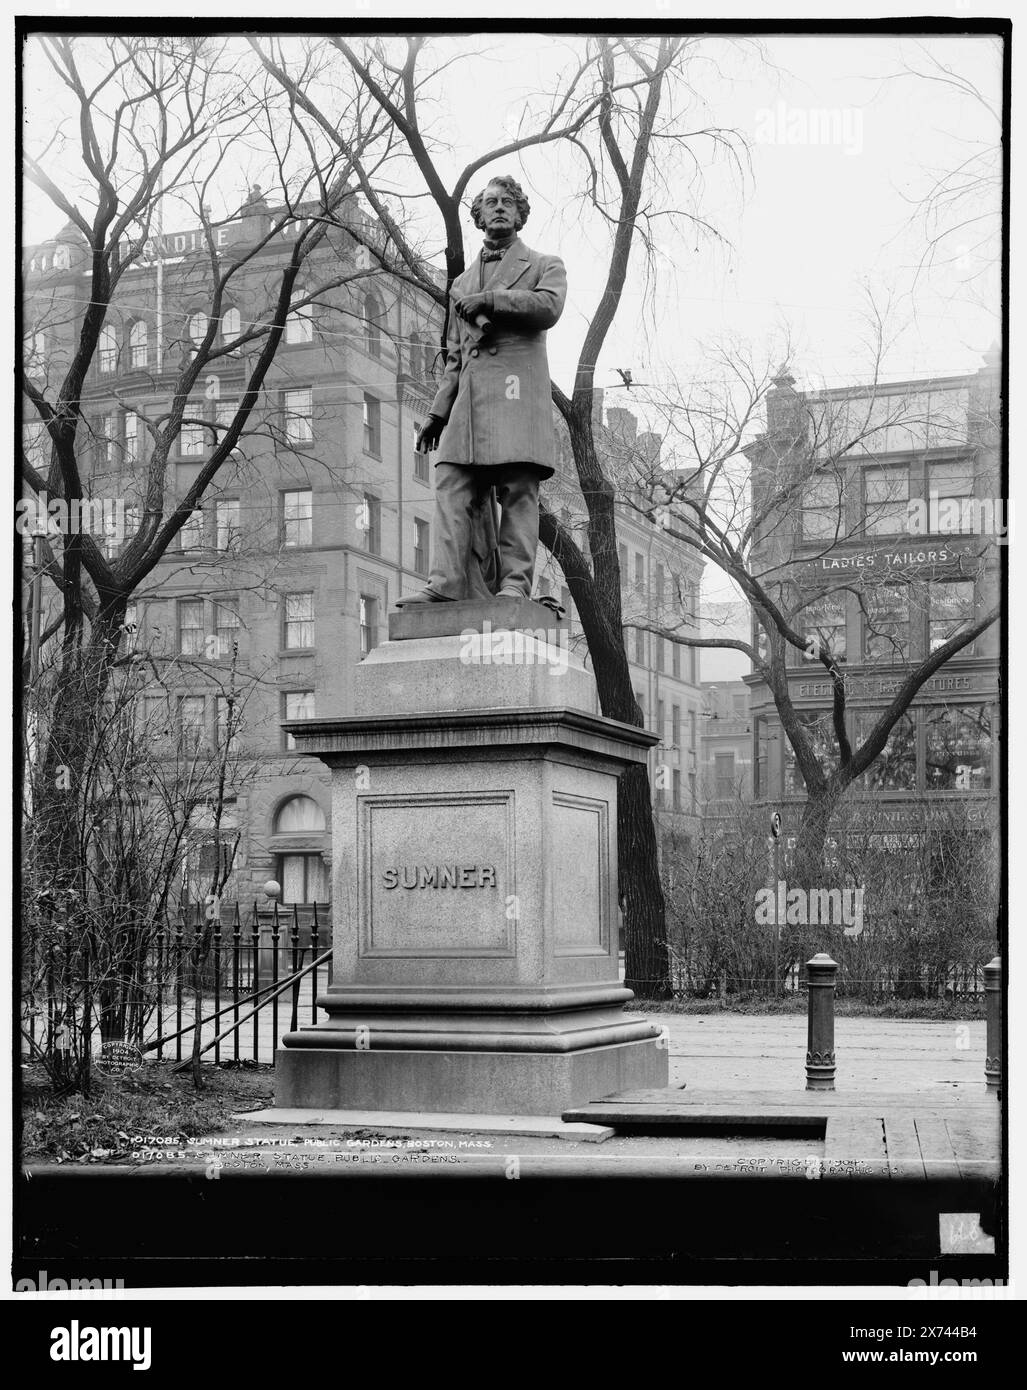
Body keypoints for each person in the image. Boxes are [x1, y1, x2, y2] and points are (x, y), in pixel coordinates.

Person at [395, 174, 567, 606]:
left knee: (517, 489)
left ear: (520, 212)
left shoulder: (545, 265)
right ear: (478, 216)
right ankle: (447, 584)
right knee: (451, 480)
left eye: (508, 201)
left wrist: (492, 300)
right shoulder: (461, 284)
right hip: (468, 406)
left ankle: (513, 585)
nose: (499, 207)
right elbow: (455, 355)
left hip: (515, 398)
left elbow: (548, 307)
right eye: (490, 202)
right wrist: (437, 412)